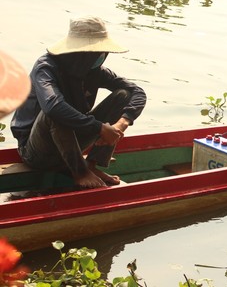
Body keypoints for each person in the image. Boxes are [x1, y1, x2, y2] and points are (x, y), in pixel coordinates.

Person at [10, 16, 147, 189]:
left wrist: (122, 124)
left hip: (72, 142)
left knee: (123, 94)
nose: (101, 56)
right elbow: (53, 107)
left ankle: (91, 165)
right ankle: (79, 172)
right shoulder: (46, 68)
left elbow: (137, 92)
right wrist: (99, 127)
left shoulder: (95, 72)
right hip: (37, 151)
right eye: (95, 52)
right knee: (55, 111)